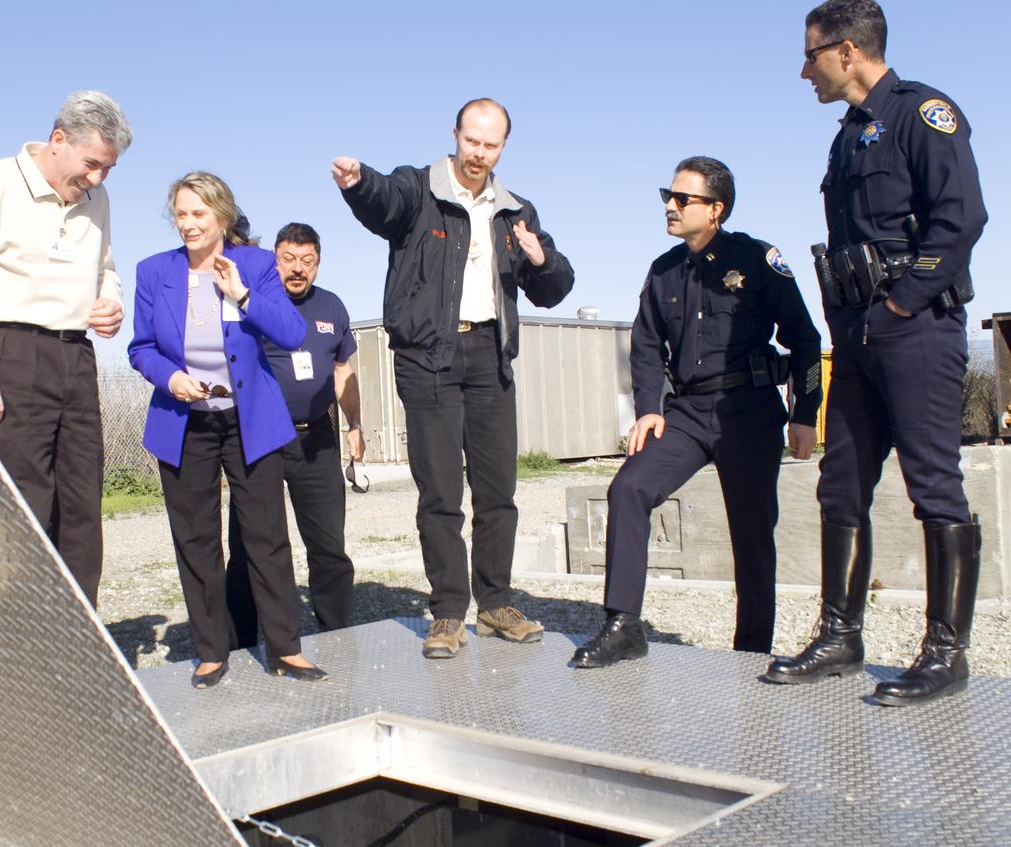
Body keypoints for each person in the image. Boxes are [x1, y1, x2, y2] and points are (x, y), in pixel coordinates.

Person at [766, 0, 987, 706]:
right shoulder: (849, 135)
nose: (804, 70)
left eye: (812, 55)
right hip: (858, 336)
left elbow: (962, 219)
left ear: (849, 51)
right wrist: (856, 323)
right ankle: (840, 636)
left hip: (916, 327)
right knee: (842, 480)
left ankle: (945, 653)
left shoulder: (923, 114)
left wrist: (901, 302)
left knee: (933, 484)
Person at [333, 98, 574, 659]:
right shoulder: (419, 189)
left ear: (503, 148)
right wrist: (358, 182)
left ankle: (495, 604)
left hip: (491, 355)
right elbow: (383, 203)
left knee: (498, 493)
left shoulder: (517, 210)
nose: (479, 153)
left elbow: (554, 289)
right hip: (428, 357)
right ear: (456, 136)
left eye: (490, 145)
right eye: (472, 141)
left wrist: (542, 260)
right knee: (440, 494)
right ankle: (447, 612)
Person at [570, 158, 822, 669]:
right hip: (685, 412)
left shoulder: (756, 259)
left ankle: (751, 649)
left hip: (748, 409)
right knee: (629, 488)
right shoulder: (664, 270)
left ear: (716, 209)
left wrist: (805, 412)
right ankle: (623, 624)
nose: (670, 205)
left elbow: (805, 338)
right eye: (669, 194)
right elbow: (644, 345)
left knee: (751, 529)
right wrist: (646, 409)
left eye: (683, 198)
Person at [0, 91, 131, 607]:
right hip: (6, 355)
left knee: (82, 508)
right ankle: (15, 644)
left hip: (77, 360)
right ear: (58, 140)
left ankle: (80, 643)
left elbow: (106, 271)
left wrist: (109, 302)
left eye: (108, 168)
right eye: (91, 164)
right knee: (17, 511)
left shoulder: (96, 199)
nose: (98, 179)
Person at [129, 172, 328, 688]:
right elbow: (141, 348)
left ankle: (285, 648)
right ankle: (212, 650)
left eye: (199, 213)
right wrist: (170, 377)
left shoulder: (258, 266)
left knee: (265, 536)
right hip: (183, 421)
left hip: (248, 420)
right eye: (181, 214)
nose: (189, 224)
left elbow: (291, 332)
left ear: (222, 216)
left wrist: (242, 296)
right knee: (196, 540)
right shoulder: (154, 272)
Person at [225, 223, 363, 647]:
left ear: (318, 264)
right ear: (274, 260)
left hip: (318, 438)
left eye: (307, 261)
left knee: (329, 546)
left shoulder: (333, 307)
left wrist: (355, 424)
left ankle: (336, 632)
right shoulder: (255, 302)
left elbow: (343, 371)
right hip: (262, 436)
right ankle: (243, 639)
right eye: (288, 259)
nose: (297, 269)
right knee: (253, 544)